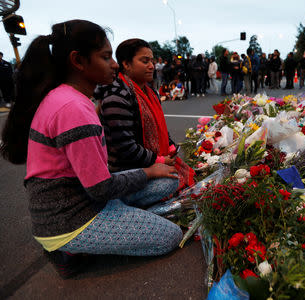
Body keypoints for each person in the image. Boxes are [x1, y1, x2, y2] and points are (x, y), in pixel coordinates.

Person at [0, 20, 183, 279]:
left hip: (89, 196)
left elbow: (98, 181)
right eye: (106, 57)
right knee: (170, 237)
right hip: (71, 218)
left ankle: (126, 221)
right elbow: (100, 188)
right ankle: (69, 250)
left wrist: (153, 171)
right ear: (78, 61)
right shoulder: (72, 108)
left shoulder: (72, 99)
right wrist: (149, 171)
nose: (115, 64)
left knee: (168, 182)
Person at [97, 38, 194, 194]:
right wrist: (159, 161)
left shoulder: (150, 92)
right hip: (127, 173)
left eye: (152, 61)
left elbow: (159, 127)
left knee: (177, 174)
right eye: (145, 61)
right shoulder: (117, 96)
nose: (151, 66)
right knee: (171, 182)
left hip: (147, 164)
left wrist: (170, 147)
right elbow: (126, 148)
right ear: (126, 64)